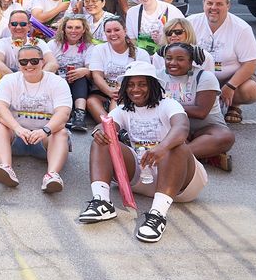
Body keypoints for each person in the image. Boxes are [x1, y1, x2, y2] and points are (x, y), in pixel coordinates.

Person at [78, 61, 207, 243]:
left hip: (179, 181)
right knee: (103, 139)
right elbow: (106, 124)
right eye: (130, 85)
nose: (135, 89)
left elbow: (182, 129)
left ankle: (158, 215)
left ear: (152, 85)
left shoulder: (168, 104)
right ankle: (102, 202)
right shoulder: (123, 109)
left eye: (141, 84)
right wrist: (98, 130)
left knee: (175, 146)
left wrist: (162, 147)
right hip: (142, 176)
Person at [0, 45, 73, 191]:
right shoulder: (9, 80)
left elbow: (63, 113)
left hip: (46, 139)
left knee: (61, 132)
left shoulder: (57, 82)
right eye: (24, 62)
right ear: (18, 63)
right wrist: (17, 128)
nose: (29, 65)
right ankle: (6, 167)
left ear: (43, 62)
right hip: (17, 137)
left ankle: (52, 175)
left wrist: (44, 131)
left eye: (34, 61)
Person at [189, 0, 256, 124]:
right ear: (203, 3)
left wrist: (230, 86)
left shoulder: (241, 28)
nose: (213, 7)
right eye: (210, 3)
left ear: (228, 5)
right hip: (196, 77)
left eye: (219, 4)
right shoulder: (190, 22)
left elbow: (251, 62)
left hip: (229, 78)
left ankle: (234, 105)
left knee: (250, 89)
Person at [160, 42, 234, 172]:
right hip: (173, 128)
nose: (172, 62)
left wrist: (167, 106)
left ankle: (174, 157)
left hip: (204, 128)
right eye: (169, 58)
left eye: (180, 59)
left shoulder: (205, 77)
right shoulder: (157, 76)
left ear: (191, 61)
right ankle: (205, 156)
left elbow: (201, 112)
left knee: (225, 138)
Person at [86, 17, 152, 123]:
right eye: (108, 31)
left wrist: (121, 91)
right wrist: (109, 91)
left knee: (118, 98)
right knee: (91, 101)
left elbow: (145, 78)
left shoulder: (141, 53)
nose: (113, 34)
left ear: (125, 31)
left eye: (116, 30)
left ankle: (113, 129)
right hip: (105, 89)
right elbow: (97, 75)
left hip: (130, 90)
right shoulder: (99, 49)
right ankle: (113, 129)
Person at [49, 15, 94, 131]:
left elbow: (92, 71)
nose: (73, 31)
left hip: (79, 84)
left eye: (78, 27)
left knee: (81, 77)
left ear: (84, 29)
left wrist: (84, 71)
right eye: (69, 27)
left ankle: (79, 115)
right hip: (58, 81)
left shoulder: (89, 46)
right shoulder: (54, 45)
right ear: (64, 29)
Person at [0, 10, 58, 75]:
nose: (18, 27)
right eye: (14, 24)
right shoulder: (2, 43)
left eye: (23, 24)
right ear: (9, 26)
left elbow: (53, 63)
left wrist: (38, 79)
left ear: (29, 27)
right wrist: (18, 81)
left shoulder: (38, 42)